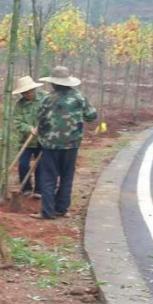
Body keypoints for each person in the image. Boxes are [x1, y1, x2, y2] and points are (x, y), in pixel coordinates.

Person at [34, 66, 98, 220]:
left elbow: (40, 118)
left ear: (54, 83)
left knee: (48, 178)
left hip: (50, 144)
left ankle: (47, 211)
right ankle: (61, 209)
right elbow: (91, 115)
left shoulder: (47, 99)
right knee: (66, 177)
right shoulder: (79, 97)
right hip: (71, 144)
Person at [11, 75, 42, 196]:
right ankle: (26, 188)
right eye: (24, 93)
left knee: (41, 165)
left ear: (34, 89)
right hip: (26, 141)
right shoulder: (19, 105)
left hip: (42, 140)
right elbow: (17, 122)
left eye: (29, 92)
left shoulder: (44, 99)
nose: (27, 95)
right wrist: (29, 129)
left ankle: (39, 190)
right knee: (23, 164)